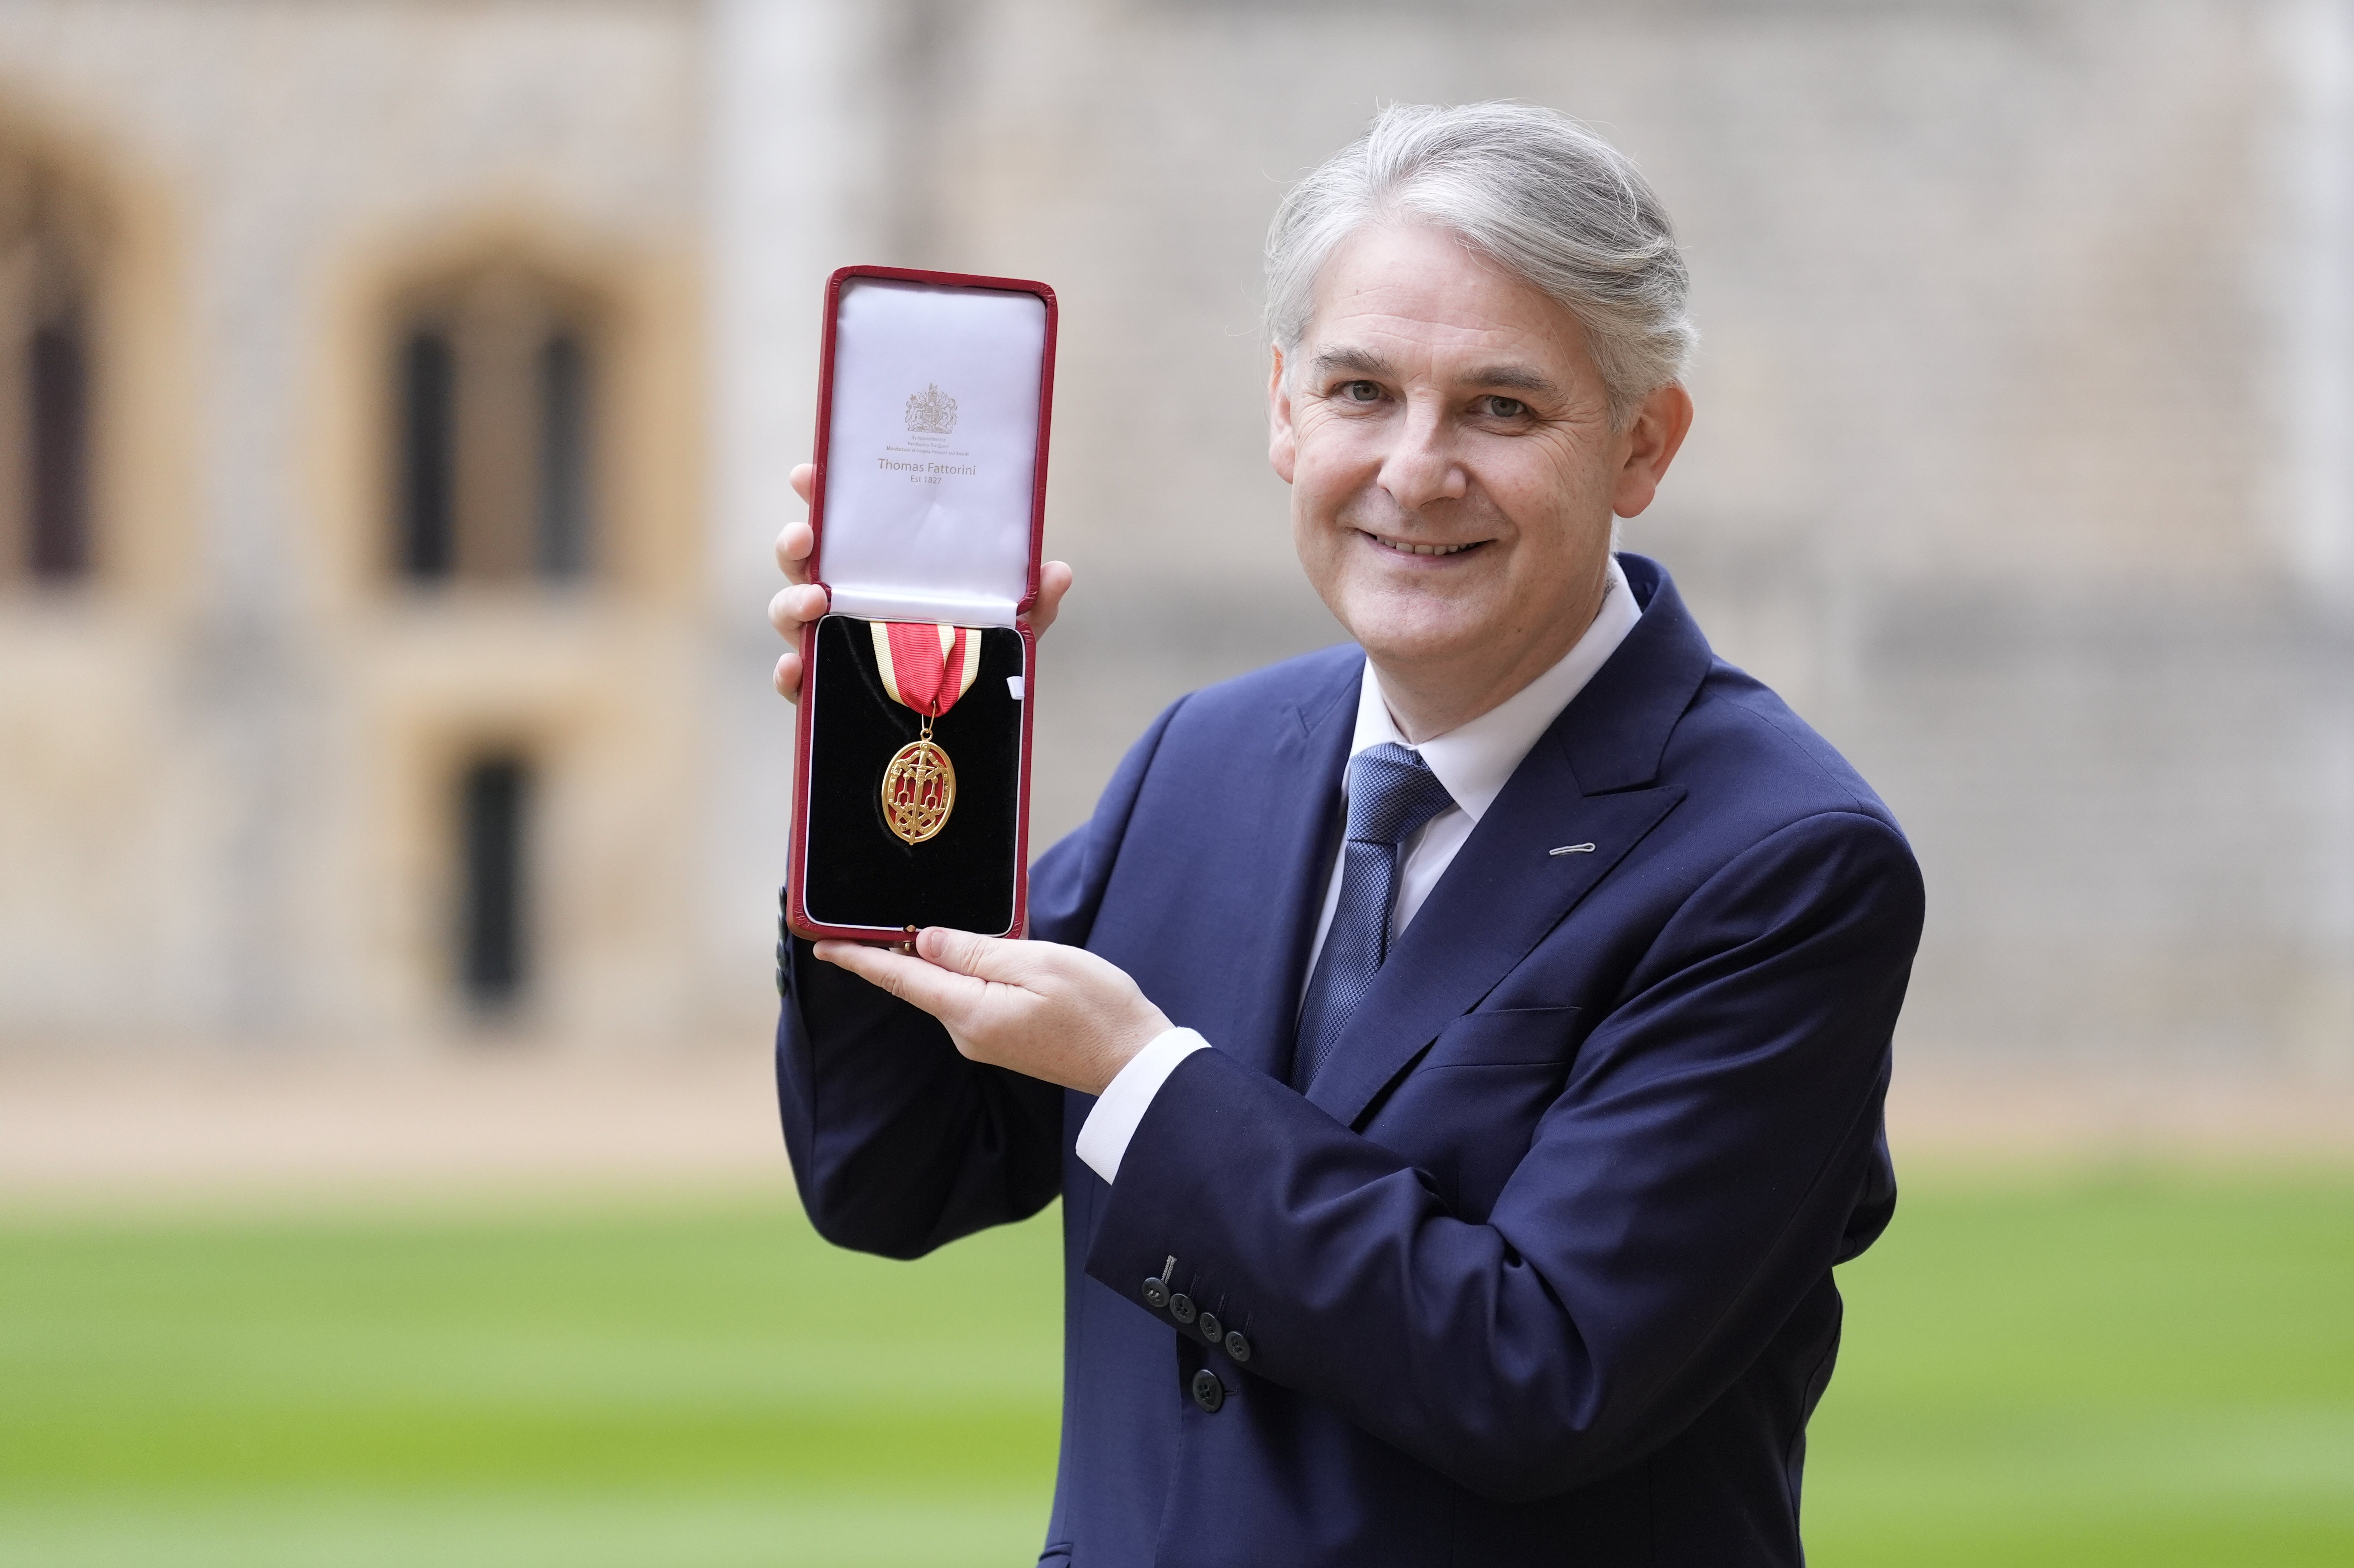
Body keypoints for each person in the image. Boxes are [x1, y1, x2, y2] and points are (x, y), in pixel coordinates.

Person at [766, 101, 1922, 1568]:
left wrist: (1146, 1080)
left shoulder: (1788, 864)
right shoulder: (1212, 755)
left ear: (1643, 445)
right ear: (1283, 410)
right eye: (1362, 389)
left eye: (1502, 408)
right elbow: (895, 1174)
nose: (1417, 469)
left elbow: (1541, 1373)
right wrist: (889, 758)